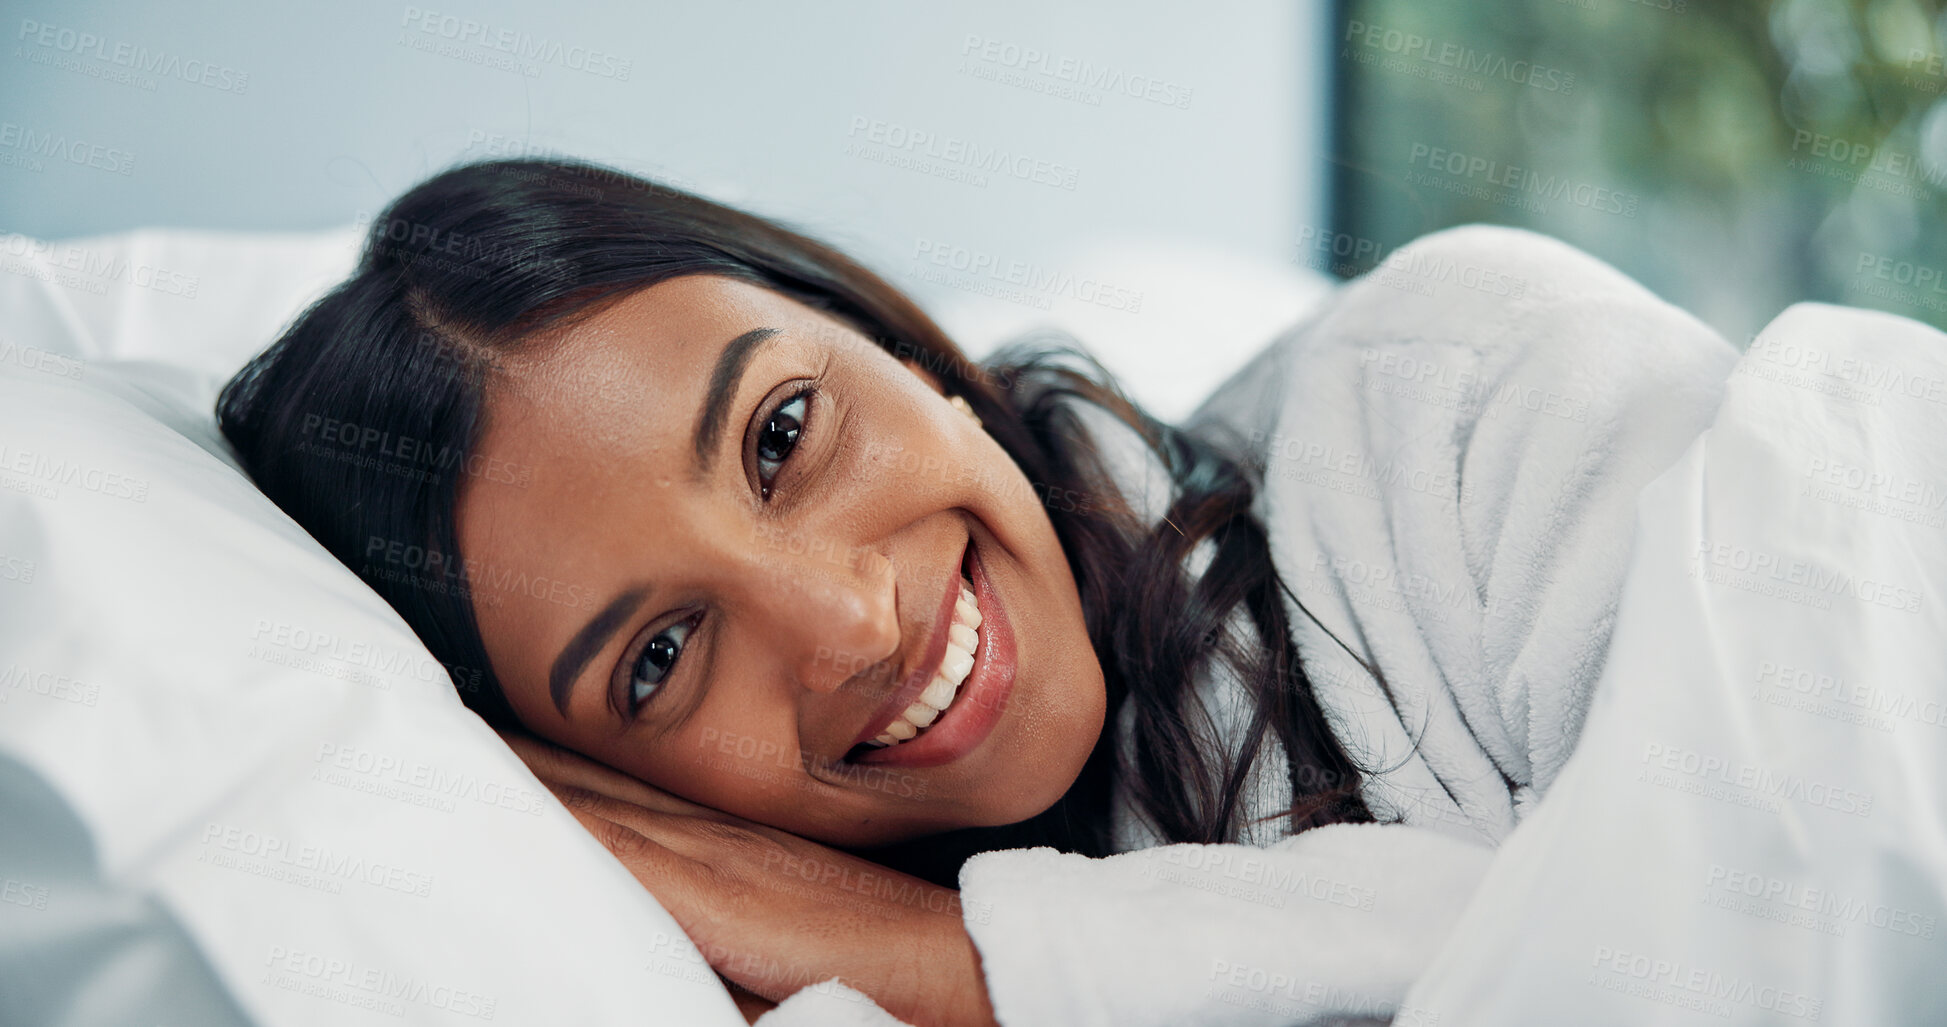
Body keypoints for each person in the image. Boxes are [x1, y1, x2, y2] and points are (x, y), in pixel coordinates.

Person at [217, 158, 1736, 1025]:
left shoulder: (1456, 393)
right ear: (608, 780)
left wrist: (970, 960)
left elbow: (1716, 931)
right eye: (664, 654)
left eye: (784, 436)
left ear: (893, 343)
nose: (850, 624)